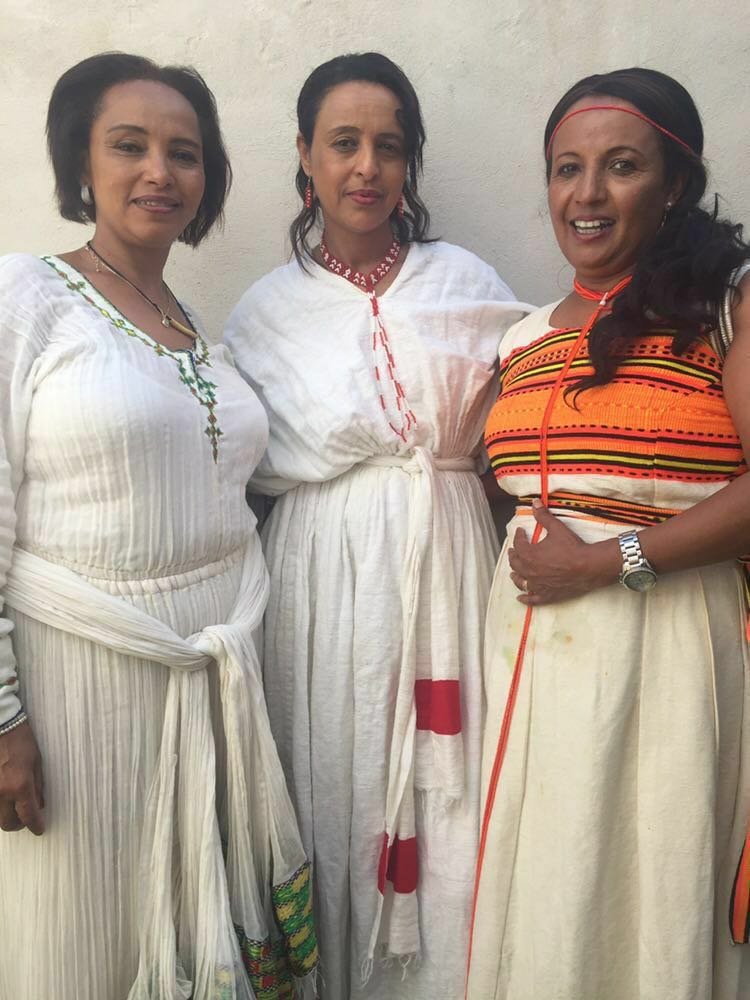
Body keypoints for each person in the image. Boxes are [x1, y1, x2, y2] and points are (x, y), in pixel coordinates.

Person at [0, 53, 316, 1000]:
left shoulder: (193, 328)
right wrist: (3, 718)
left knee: (195, 936)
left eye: (184, 153)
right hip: (82, 687)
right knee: (89, 932)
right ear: (80, 163)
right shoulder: (25, 298)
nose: (159, 172)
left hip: (213, 682)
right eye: (128, 146)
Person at [224, 51, 528, 1000]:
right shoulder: (265, 312)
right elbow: (230, 471)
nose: (367, 167)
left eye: (388, 147)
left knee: (457, 790)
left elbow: (523, 420)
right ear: (305, 157)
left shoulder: (462, 280)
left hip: (449, 564)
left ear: (410, 162)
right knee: (337, 774)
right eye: (343, 143)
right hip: (323, 588)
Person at [467, 67, 750, 1000]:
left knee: (648, 883)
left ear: (674, 184)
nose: (586, 195)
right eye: (566, 169)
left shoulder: (726, 305)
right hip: (533, 659)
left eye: (621, 167)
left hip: (666, 644)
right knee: (551, 892)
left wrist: (602, 561)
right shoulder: (522, 338)